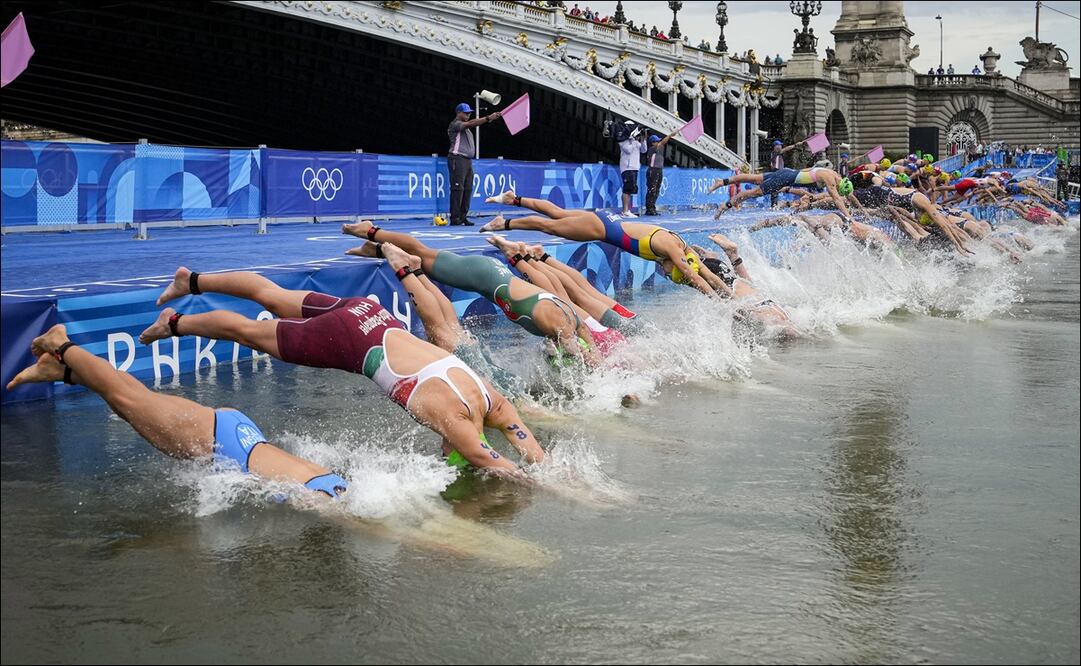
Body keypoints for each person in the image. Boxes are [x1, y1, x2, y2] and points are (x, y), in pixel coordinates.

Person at [144, 266, 546, 476]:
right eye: (450, 455)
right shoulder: (456, 424)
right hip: (353, 341)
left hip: (371, 315)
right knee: (250, 333)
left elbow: (530, 452)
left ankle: (192, 280)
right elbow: (495, 463)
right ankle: (174, 323)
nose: (444, 454)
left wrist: (554, 476)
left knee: (275, 297)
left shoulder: (494, 402)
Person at [8, 325, 350, 500]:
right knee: (129, 400)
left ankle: (62, 372)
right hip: (223, 445)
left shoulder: (337, 485)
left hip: (237, 435)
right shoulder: (329, 499)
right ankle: (62, 345)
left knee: (135, 401)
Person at [342, 221, 601, 364]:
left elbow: (587, 347)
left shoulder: (572, 322)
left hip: (492, 277)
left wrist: (594, 358)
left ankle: (375, 250)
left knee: (423, 265)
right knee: (424, 253)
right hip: (483, 274)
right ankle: (371, 231)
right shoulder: (559, 324)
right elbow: (581, 357)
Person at [478, 191, 730, 297]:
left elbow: (705, 275)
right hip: (601, 228)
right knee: (549, 226)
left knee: (557, 213)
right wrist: (718, 305)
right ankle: (505, 224)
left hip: (608, 219)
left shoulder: (686, 252)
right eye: (668, 272)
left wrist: (728, 299)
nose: (663, 272)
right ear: (671, 263)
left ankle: (514, 199)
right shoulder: (671, 250)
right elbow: (694, 278)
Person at [708, 166, 855, 220]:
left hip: (788, 173)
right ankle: (724, 206)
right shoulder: (830, 178)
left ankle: (722, 181)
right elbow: (836, 198)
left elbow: (806, 171)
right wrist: (848, 216)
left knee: (753, 178)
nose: (834, 188)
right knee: (753, 193)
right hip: (785, 178)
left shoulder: (832, 172)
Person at [447, 102, 502, 226]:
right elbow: (471, 124)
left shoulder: (466, 129)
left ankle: (463, 217)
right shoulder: (455, 124)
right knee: (458, 189)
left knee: (467, 189)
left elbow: (470, 124)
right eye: (466, 113)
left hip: (466, 161)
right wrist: (488, 118)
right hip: (457, 158)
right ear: (458, 113)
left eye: (469, 113)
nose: (468, 115)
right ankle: (455, 218)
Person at [644, 130, 678, 215]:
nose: (659, 142)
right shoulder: (652, 149)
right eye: (657, 141)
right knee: (652, 189)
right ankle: (649, 208)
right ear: (653, 143)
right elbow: (663, 142)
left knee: (656, 189)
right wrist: (670, 135)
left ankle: (652, 207)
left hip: (658, 170)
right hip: (653, 170)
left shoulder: (658, 150)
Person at [618, 122, 647, 217]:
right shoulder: (623, 141)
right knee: (627, 189)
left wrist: (643, 139)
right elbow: (628, 150)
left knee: (631, 189)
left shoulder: (635, 142)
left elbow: (644, 150)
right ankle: (624, 210)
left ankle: (627, 210)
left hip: (635, 167)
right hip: (627, 167)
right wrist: (633, 140)